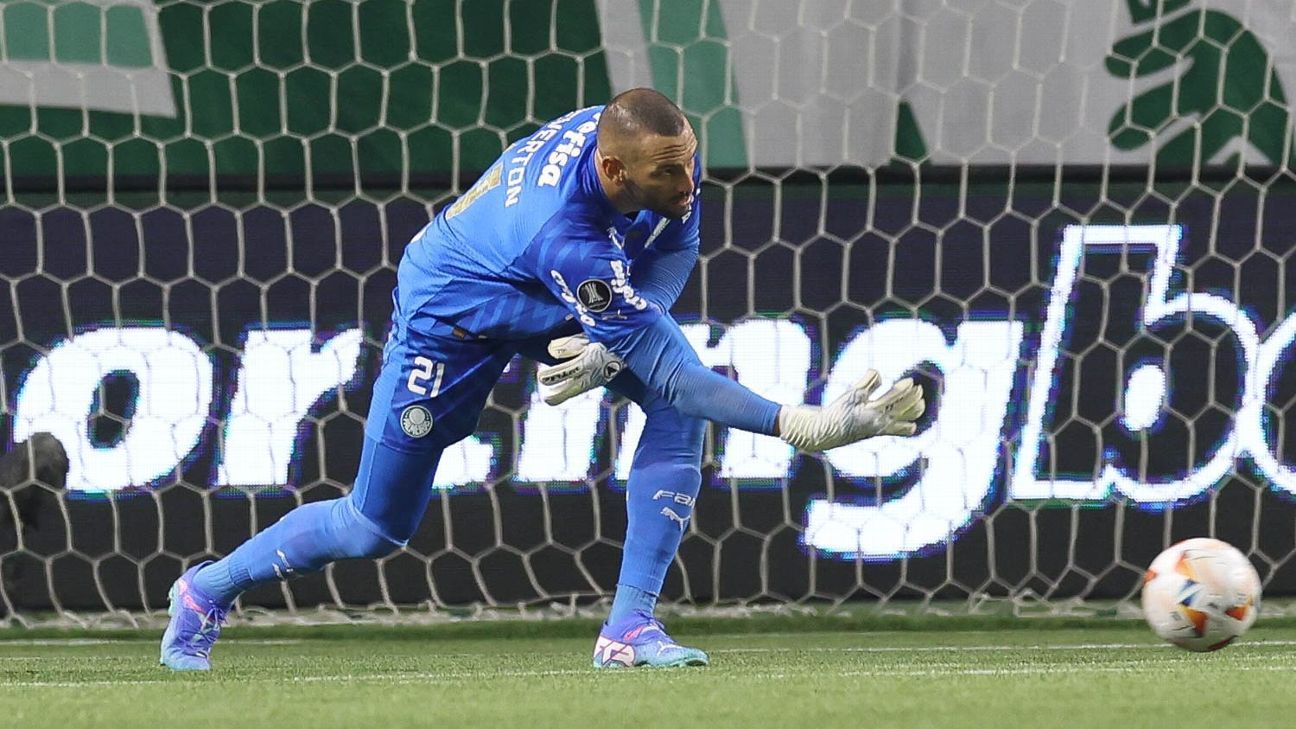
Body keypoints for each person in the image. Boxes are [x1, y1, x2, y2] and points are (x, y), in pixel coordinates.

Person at [159, 88, 924, 671]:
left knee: (669, 405)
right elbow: (677, 367)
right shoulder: (569, 232)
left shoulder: (656, 153)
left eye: (691, 162)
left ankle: (628, 626)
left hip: (544, 291)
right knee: (374, 526)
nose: (690, 181)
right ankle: (205, 590)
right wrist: (800, 424)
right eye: (672, 173)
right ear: (617, 170)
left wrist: (622, 328)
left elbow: (673, 253)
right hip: (452, 313)